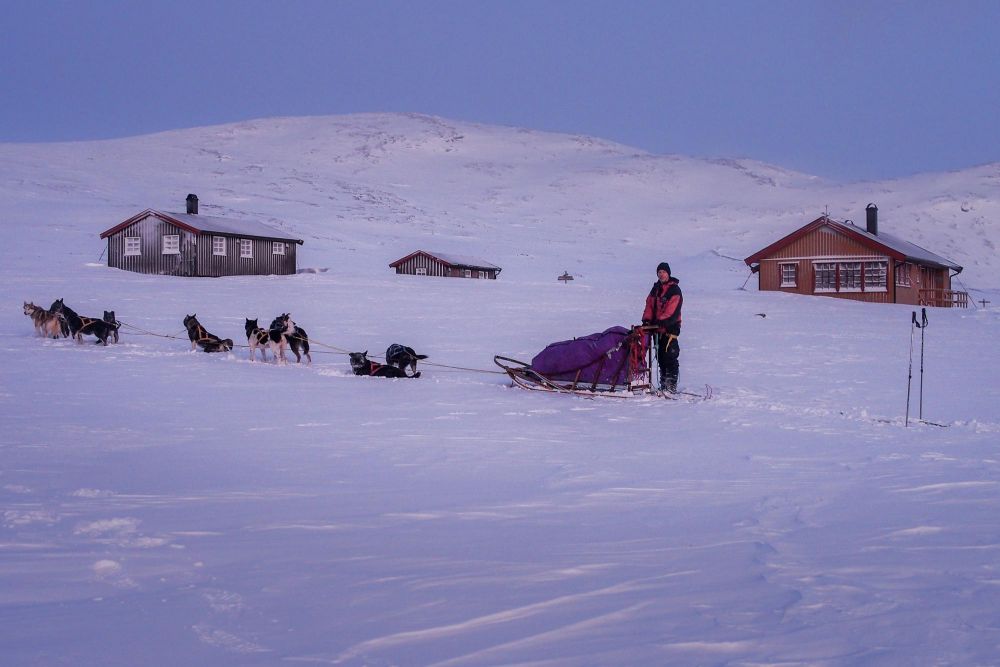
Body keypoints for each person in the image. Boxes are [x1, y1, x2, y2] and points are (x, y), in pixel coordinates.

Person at [642, 261, 683, 392]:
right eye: (659, 272)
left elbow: (672, 310)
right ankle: (664, 384)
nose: (661, 274)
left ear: (668, 273)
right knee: (660, 358)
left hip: (669, 329)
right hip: (656, 329)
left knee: (670, 357)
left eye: (663, 272)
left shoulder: (674, 290)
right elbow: (649, 305)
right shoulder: (655, 289)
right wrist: (647, 320)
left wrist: (661, 321)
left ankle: (671, 385)